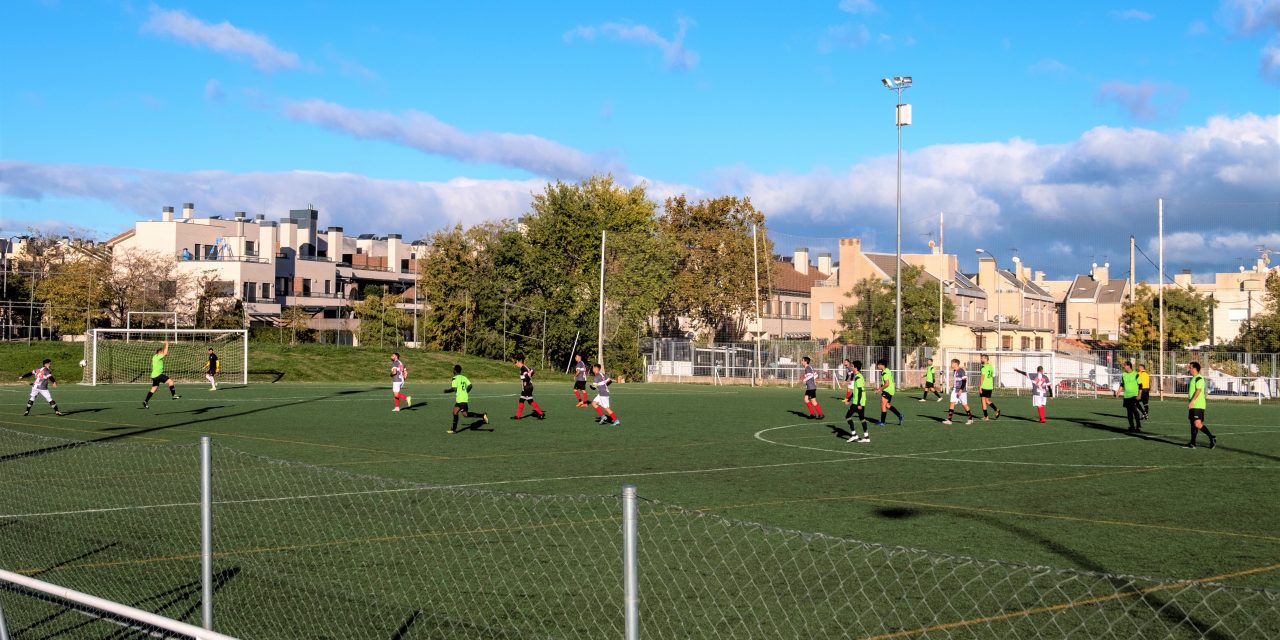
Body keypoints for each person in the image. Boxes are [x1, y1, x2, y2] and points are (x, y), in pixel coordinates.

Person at [442, 364, 487, 434]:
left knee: (463, 414)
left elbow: (454, 389)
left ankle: (482, 415)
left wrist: (446, 391)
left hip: (461, 400)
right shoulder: (464, 377)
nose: (452, 370)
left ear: (455, 371)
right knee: (457, 412)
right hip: (461, 399)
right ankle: (454, 429)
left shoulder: (454, 378)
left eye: (453, 369)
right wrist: (466, 392)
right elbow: (470, 385)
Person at [1183, 361, 1216, 449]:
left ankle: (1211, 437)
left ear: (1194, 369)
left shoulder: (1199, 378)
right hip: (1194, 405)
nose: (1189, 369)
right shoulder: (1193, 378)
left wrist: (1192, 401)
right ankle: (1192, 443)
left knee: (1197, 424)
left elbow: (1198, 390)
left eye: (1190, 367)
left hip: (1198, 405)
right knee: (1193, 424)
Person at [142, 342, 180, 408]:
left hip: (154, 376)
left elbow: (163, 352)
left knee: (154, 389)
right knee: (170, 382)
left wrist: (164, 346)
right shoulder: (158, 357)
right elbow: (165, 353)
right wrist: (167, 344)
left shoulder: (154, 357)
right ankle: (174, 395)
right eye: (162, 352)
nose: (163, 353)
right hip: (158, 375)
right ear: (159, 353)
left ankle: (145, 401)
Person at [844, 360, 870, 443]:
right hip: (859, 401)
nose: (851, 367)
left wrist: (858, 403)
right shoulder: (858, 376)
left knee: (848, 416)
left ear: (855, 367)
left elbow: (859, 391)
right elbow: (855, 391)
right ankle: (866, 437)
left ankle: (854, 435)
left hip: (857, 402)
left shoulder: (858, 377)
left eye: (852, 366)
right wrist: (848, 398)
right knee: (862, 418)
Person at [942, 358, 975, 425]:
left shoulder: (961, 371)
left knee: (964, 405)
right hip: (955, 390)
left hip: (961, 391)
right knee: (952, 403)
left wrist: (961, 390)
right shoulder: (955, 371)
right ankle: (949, 420)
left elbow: (964, 381)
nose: (951, 364)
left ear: (955, 364)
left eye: (952, 363)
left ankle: (970, 418)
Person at [1115, 361, 1142, 433]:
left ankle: (1138, 426)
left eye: (1125, 365)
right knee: (1129, 412)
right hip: (1126, 396)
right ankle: (1132, 427)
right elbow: (1122, 384)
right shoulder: (1123, 374)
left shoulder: (1136, 374)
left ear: (1129, 366)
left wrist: (1139, 394)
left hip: (1134, 395)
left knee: (1135, 411)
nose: (1124, 367)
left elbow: (1140, 385)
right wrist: (1118, 392)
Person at [875, 359, 904, 426]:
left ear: (882, 365)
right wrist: (881, 387)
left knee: (883, 404)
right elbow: (886, 382)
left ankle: (882, 422)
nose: (878, 366)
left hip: (887, 390)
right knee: (887, 405)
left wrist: (880, 389)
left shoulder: (885, 372)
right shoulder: (887, 370)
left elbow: (887, 384)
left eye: (879, 365)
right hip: (890, 390)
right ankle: (900, 415)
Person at [979, 354, 1001, 420]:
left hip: (984, 386)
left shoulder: (983, 367)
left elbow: (983, 377)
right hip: (990, 386)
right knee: (987, 400)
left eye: (982, 358)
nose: (981, 359)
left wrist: (980, 386)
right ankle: (996, 409)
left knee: (983, 400)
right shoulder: (991, 366)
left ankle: (986, 417)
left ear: (985, 359)